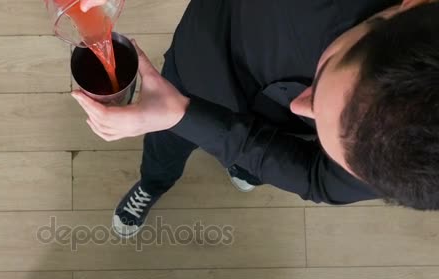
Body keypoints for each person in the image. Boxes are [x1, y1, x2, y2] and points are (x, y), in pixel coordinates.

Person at [73, 0, 439, 237]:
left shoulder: (412, 162)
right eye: (323, 72)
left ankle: (245, 169)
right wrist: (178, 115)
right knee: (165, 142)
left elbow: (316, 178)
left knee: (259, 160)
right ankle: (155, 182)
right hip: (208, 52)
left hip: (257, 123)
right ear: (408, 7)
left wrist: (183, 114)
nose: (299, 107)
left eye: (321, 133)